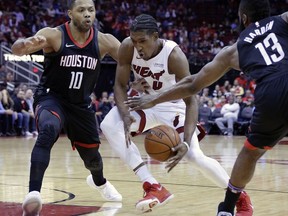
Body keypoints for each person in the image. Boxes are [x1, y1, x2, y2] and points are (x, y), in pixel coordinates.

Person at [125, 1, 286, 215]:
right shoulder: (283, 20)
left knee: (250, 153)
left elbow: (192, 85)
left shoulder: (234, 51)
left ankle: (228, 208)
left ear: (243, 18)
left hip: (271, 96)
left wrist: (154, 99)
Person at [100, 14, 250, 214]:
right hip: (143, 101)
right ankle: (153, 186)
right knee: (109, 126)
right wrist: (125, 114)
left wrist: (187, 141)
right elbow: (119, 84)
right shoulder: (127, 47)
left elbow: (191, 99)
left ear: (155, 36)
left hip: (173, 105)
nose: (138, 46)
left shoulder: (174, 55)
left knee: (193, 156)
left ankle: (240, 197)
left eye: (143, 41)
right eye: (134, 41)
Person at [11, 0, 122, 215]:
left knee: (93, 159)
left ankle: (100, 183)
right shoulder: (53, 35)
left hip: (81, 105)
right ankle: (33, 195)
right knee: (49, 129)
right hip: (52, 98)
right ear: (70, 13)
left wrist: (138, 79)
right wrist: (24, 45)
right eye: (81, 10)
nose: (87, 14)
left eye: (91, 10)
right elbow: (17, 49)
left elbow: (130, 60)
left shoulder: (104, 41)